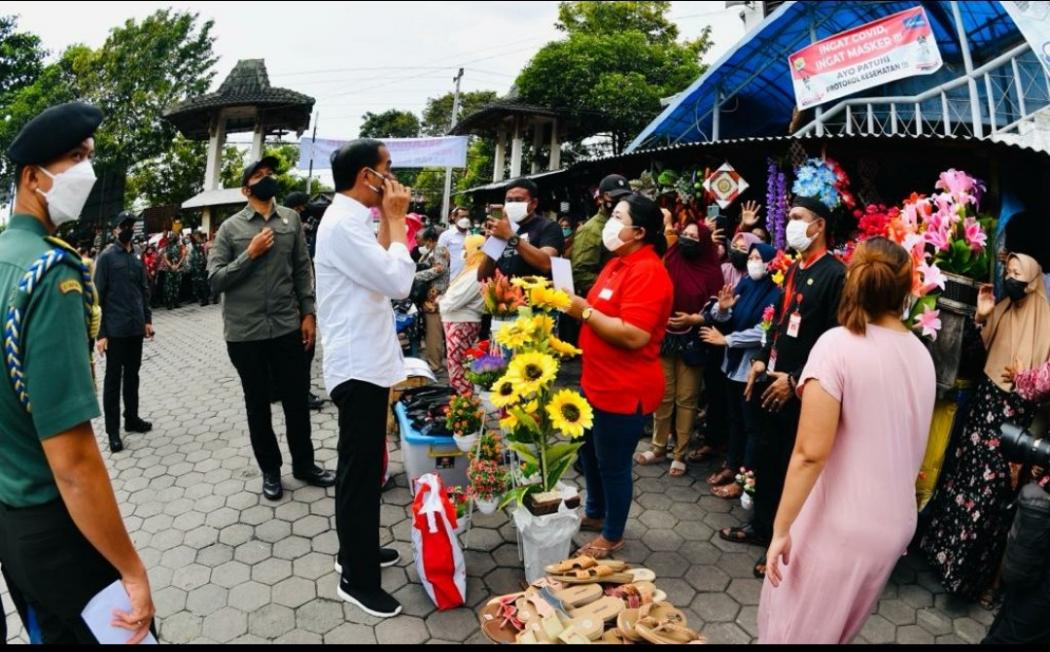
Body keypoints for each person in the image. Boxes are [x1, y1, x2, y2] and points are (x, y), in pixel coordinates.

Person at [0, 101, 155, 643]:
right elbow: (73, 461)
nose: (87, 171)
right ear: (32, 177)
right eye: (74, 157)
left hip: (12, 523)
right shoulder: (50, 273)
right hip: (58, 525)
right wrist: (132, 570)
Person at [757, 237, 936, 644]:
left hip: (838, 523)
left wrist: (780, 528)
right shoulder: (920, 353)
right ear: (908, 289)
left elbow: (809, 454)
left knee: (793, 632)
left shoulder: (837, 346)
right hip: (892, 524)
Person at [315, 138, 416, 618]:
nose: (393, 179)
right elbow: (398, 283)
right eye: (387, 170)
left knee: (363, 468)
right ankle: (357, 578)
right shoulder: (341, 225)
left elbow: (379, 273)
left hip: (365, 361)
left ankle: (354, 552)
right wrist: (397, 221)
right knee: (359, 475)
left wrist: (388, 225)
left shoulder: (352, 221)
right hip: (357, 367)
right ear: (366, 178)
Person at [720, 197, 846, 580]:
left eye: (796, 218)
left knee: (793, 465)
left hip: (802, 391)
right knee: (767, 458)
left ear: (819, 225)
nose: (789, 224)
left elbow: (835, 340)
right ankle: (761, 527)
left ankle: (784, 540)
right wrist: (760, 358)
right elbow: (777, 323)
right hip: (770, 379)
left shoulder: (835, 275)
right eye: (788, 215)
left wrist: (795, 381)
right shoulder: (794, 268)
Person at [921, 253, 1050, 605]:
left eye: (1017, 274)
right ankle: (940, 560)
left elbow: (1044, 388)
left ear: (1035, 280)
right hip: (984, 410)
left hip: (1013, 425)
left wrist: (1025, 379)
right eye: (1007, 272)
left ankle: (967, 580)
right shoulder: (1005, 307)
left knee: (991, 499)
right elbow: (977, 356)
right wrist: (981, 318)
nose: (1011, 279)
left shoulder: (1048, 323)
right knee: (962, 481)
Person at [208, 156, 335, 501]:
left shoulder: (291, 219)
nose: (267, 179)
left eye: (270, 174)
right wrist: (249, 254)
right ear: (245, 188)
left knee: (296, 399)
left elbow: (300, 270)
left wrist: (308, 313)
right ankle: (270, 471)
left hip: (286, 327)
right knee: (258, 404)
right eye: (259, 175)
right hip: (245, 334)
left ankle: (305, 465)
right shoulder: (229, 229)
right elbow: (215, 280)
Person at [563, 193, 674, 558]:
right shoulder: (616, 264)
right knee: (590, 455)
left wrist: (586, 313)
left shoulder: (648, 271)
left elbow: (634, 334)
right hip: (596, 381)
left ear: (639, 231)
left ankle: (612, 534)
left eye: (617, 217)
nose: (610, 223)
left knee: (613, 464)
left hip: (624, 388)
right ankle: (595, 513)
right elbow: (598, 307)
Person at [634, 219, 723, 477]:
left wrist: (695, 318)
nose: (687, 239)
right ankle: (659, 446)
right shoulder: (668, 259)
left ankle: (680, 453)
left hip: (693, 341)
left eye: (694, 236)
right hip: (664, 337)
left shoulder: (711, 271)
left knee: (687, 399)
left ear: (704, 242)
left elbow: (718, 310)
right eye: (685, 234)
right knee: (663, 394)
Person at [700, 242, 782, 499]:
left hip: (751, 369)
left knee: (752, 426)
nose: (754, 261)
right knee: (734, 420)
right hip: (731, 365)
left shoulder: (776, 293)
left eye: (760, 258)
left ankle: (746, 478)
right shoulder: (745, 284)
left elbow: (765, 331)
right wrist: (722, 309)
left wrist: (729, 340)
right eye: (752, 256)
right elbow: (725, 315)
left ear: (771, 263)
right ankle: (732, 466)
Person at [94, 210, 155, 453]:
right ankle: (112, 432)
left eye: (131, 225)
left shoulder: (136, 256)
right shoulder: (107, 258)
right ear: (115, 230)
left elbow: (143, 290)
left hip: (134, 328)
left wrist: (147, 320)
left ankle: (132, 418)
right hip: (115, 330)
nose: (128, 229)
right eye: (123, 225)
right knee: (112, 381)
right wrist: (101, 334)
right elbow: (98, 297)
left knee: (133, 375)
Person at [282, 191, 325, 410]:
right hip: (293, 304)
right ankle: (301, 394)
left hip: (296, 302)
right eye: (300, 210)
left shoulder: (292, 231)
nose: (303, 215)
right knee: (303, 351)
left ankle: (288, 390)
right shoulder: (288, 233)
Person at [478, 178, 564, 281]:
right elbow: (482, 277)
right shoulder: (501, 228)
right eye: (509, 200)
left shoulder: (549, 227)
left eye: (519, 200)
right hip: (505, 295)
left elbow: (546, 264)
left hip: (534, 295)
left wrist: (509, 236)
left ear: (534, 203)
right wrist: (492, 245)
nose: (513, 204)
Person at [439, 234, 487, 394]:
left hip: (462, 322)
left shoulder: (477, 273)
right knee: (456, 367)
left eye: (466, 249)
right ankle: (461, 407)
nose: (464, 252)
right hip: (459, 321)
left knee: (457, 369)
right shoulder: (472, 270)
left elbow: (453, 301)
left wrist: (440, 302)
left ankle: (464, 408)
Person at [571, 174, 632, 298]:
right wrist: (613, 285)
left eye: (625, 197)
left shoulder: (630, 225)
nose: (620, 201)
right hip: (602, 299)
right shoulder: (591, 230)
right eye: (615, 197)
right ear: (601, 198)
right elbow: (580, 274)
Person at [414, 226, 449, 373]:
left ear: (429, 240)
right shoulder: (432, 250)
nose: (421, 245)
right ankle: (433, 362)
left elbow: (440, 269)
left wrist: (416, 275)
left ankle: (435, 364)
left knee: (433, 333)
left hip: (434, 298)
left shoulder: (439, 249)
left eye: (423, 242)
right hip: (431, 297)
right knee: (431, 331)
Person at [439, 206, 472, 279]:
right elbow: (439, 256)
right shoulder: (446, 235)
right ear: (454, 218)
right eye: (462, 217)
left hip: (468, 277)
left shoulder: (471, 235)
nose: (465, 219)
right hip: (452, 277)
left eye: (467, 217)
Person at [159, 228, 184, 310]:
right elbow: (165, 258)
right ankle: (170, 303)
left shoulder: (178, 247)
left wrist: (176, 266)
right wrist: (172, 266)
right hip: (171, 269)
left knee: (175, 286)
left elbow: (182, 257)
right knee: (170, 286)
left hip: (176, 268)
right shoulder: (168, 247)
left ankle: (175, 302)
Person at [187, 230, 210, 306]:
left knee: (202, 283)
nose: (194, 236)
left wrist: (204, 263)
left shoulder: (202, 242)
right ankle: (197, 298)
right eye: (194, 235)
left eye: (196, 234)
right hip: (195, 265)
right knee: (195, 282)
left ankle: (205, 299)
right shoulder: (195, 242)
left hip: (201, 265)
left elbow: (205, 254)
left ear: (198, 235)